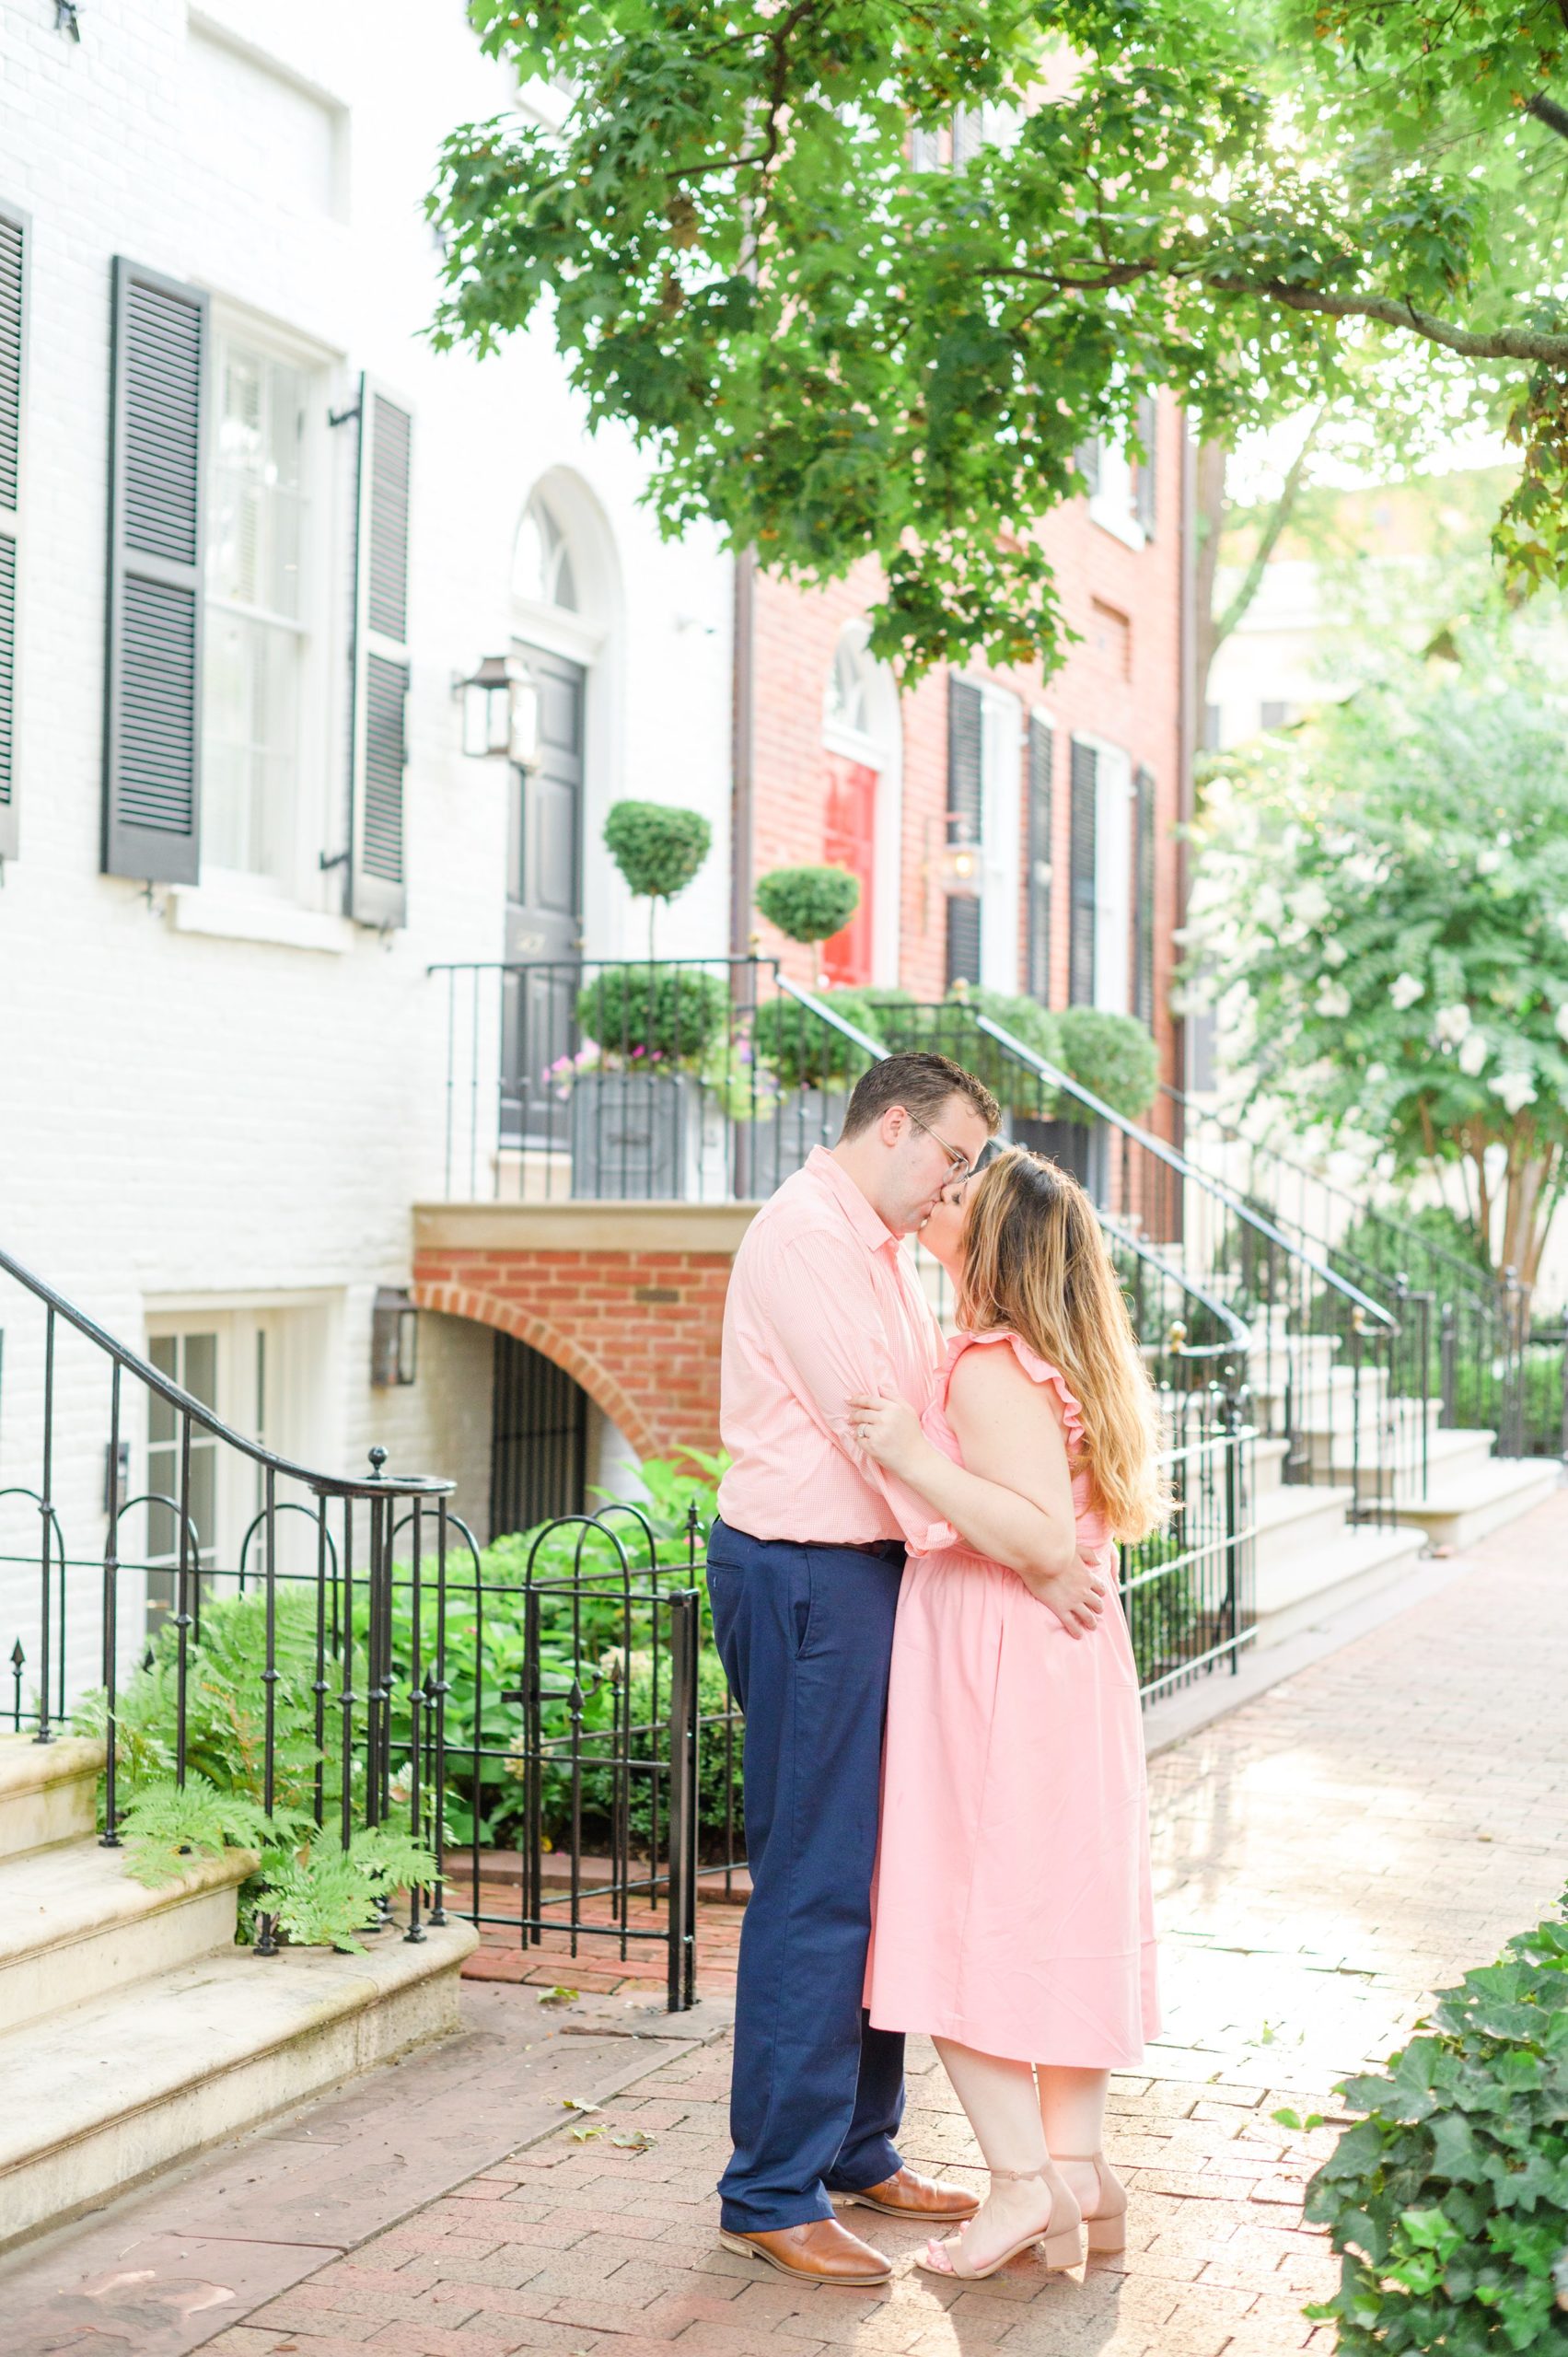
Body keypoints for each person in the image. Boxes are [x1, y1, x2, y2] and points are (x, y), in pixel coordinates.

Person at [708, 1053, 1107, 2288]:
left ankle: (856, 2148)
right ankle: (769, 2190)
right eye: (949, 1156)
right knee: (816, 1879)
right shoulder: (805, 1244)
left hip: (878, 1574)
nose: (957, 1183)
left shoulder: (878, 1247)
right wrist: (1024, 1553)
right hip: (807, 1577)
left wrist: (996, 1537)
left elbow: (924, 1438)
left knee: (883, 1872)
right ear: (894, 1127)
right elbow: (881, 1446)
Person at [853, 1146, 1167, 2282]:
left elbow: (1034, 1536)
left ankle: (1021, 2187)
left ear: (999, 1247)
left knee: (956, 1923)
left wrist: (903, 1454)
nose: (938, 1201)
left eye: (961, 1200)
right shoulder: (1049, 1360)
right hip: (1052, 1661)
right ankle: (1078, 2167)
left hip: (995, 1658)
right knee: (1052, 1907)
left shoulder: (989, 1361)